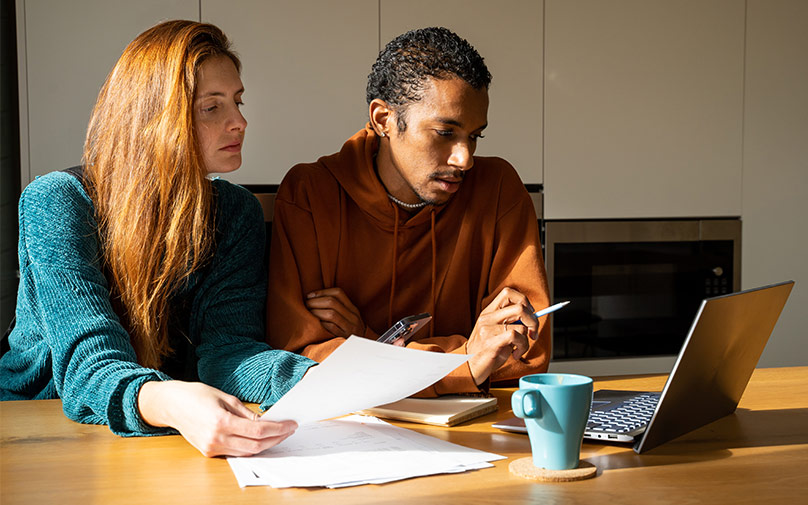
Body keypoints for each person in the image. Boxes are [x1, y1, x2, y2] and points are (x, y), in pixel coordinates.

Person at [0, 20, 316, 457]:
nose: (239, 121)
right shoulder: (57, 202)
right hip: (39, 428)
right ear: (152, 117)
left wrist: (315, 380)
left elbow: (229, 350)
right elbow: (89, 371)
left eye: (238, 102)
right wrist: (174, 400)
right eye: (212, 107)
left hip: (166, 422)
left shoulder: (237, 212)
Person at [267, 27, 550, 396]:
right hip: (348, 427)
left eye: (475, 136)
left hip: (473, 424)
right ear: (384, 119)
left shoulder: (498, 188)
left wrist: (365, 343)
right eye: (445, 133)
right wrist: (467, 361)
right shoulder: (310, 193)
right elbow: (296, 359)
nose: (464, 159)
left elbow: (526, 353)